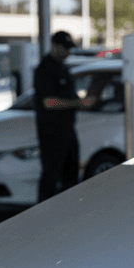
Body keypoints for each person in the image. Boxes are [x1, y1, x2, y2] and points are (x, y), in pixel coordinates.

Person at [33, 31, 93, 201]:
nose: (68, 52)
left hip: (67, 128)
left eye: (69, 48)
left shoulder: (63, 68)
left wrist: (83, 102)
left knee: (71, 174)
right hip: (52, 131)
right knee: (51, 175)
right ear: (54, 46)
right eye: (65, 48)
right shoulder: (45, 69)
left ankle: (69, 210)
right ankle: (44, 212)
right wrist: (78, 103)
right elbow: (49, 102)